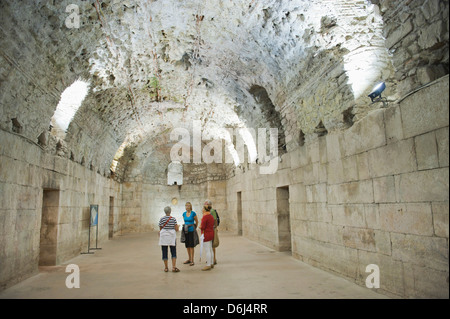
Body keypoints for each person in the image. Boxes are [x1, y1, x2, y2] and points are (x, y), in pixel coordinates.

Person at [158, 206, 180, 272]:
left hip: (164, 237)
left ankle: (166, 268)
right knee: (173, 251)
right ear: (170, 211)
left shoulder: (162, 219)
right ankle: (173, 267)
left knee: (164, 251)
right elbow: (176, 229)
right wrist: (178, 227)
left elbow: (161, 228)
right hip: (172, 236)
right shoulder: (173, 219)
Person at [199, 201, 215, 271]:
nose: (202, 210)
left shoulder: (205, 217)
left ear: (205, 210)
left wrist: (200, 227)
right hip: (211, 233)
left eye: (203, 209)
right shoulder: (211, 216)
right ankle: (211, 263)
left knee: (207, 250)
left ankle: (208, 265)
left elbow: (202, 227)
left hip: (206, 234)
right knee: (210, 249)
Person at [182, 202, 198, 266]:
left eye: (188, 206)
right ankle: (189, 258)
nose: (187, 207)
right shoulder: (184, 214)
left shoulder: (193, 213)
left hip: (191, 230)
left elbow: (197, 221)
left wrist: (194, 227)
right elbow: (185, 221)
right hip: (186, 231)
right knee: (187, 245)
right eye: (186, 206)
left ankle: (192, 260)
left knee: (191, 245)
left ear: (190, 206)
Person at [205, 199, 220, 265]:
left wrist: (215, 228)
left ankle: (214, 259)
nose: (205, 205)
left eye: (206, 204)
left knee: (213, 245)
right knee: (209, 245)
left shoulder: (212, 211)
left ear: (209, 205)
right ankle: (210, 258)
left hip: (212, 229)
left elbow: (215, 220)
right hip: (208, 229)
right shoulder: (206, 211)